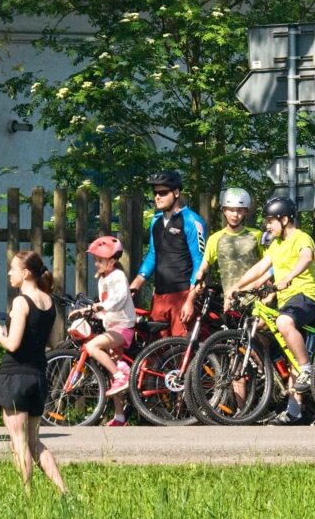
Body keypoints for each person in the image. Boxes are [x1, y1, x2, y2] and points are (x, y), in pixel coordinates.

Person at [225, 197, 315, 422]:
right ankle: (293, 410)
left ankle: (307, 368)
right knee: (264, 332)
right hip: (287, 301)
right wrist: (238, 286)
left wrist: (289, 277)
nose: (267, 226)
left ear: (285, 219)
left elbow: (306, 257)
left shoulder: (301, 237)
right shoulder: (276, 245)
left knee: (283, 323)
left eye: (271, 221)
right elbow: (260, 268)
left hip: (305, 296)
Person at [0, 249, 68, 493]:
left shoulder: (21, 302)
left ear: (25, 273)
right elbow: (55, 342)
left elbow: (12, 344)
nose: (9, 273)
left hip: (16, 377)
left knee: (19, 442)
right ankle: (63, 492)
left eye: (13, 268)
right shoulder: (49, 302)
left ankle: (27, 495)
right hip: (38, 376)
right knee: (34, 442)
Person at [134, 171, 207, 338]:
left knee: (180, 353)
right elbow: (153, 255)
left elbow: (199, 261)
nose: (157, 197)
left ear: (176, 192)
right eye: (155, 193)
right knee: (155, 352)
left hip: (182, 295)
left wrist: (191, 299)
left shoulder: (192, 221)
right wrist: (135, 286)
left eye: (163, 192)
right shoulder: (156, 221)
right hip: (160, 295)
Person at [77, 234, 140, 421]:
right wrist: (89, 312)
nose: (96, 264)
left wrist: (99, 306)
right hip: (112, 327)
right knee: (113, 373)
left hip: (123, 328)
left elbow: (118, 301)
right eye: (95, 260)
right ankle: (120, 417)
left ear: (112, 261)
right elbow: (106, 306)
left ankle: (121, 374)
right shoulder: (103, 279)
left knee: (92, 347)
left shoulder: (118, 276)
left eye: (100, 260)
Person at [185, 189, 264, 322]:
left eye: (240, 210)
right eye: (231, 210)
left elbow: (268, 263)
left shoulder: (256, 235)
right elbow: (204, 266)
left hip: (256, 297)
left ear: (246, 212)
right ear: (224, 211)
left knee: (258, 338)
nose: (235, 214)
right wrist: (199, 281)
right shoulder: (216, 238)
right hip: (230, 298)